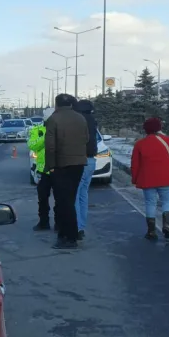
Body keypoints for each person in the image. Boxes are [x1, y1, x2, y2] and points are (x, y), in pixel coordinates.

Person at [44, 94, 89, 249]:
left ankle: (69, 237)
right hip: (78, 164)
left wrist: (50, 166)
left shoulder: (53, 119)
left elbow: (50, 146)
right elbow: (86, 139)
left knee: (64, 202)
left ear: (57, 104)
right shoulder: (80, 118)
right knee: (70, 198)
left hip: (61, 164)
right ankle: (68, 234)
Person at [130, 117, 169, 240]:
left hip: (147, 178)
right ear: (159, 128)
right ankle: (167, 226)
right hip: (166, 178)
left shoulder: (140, 144)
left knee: (150, 203)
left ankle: (151, 231)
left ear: (146, 129)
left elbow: (135, 164)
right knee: (167, 201)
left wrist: (135, 179)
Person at [73, 99, 98, 240]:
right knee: (83, 195)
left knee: (75, 195)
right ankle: (81, 226)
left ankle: (75, 227)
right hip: (91, 160)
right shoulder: (92, 120)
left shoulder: (78, 120)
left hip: (79, 160)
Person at [27, 116, 54, 231]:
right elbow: (32, 145)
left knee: (61, 199)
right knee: (42, 198)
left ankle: (59, 223)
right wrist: (46, 137)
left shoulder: (61, 129)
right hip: (43, 170)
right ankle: (44, 222)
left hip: (58, 168)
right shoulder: (37, 130)